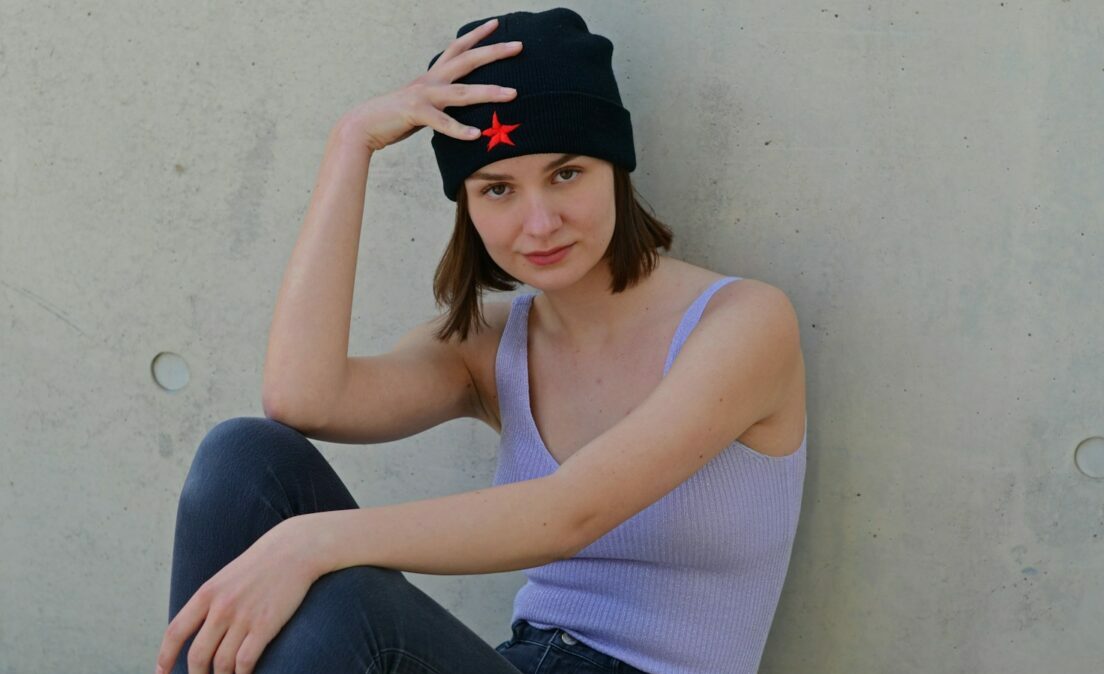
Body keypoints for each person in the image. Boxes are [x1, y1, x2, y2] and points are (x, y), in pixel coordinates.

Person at [155, 7, 807, 674]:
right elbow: (301, 399)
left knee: (352, 605)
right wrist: (351, 142)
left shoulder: (744, 324)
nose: (540, 221)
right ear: (467, 206)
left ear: (615, 165)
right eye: (498, 188)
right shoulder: (492, 346)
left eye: (567, 173)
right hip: (517, 663)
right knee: (244, 457)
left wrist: (313, 542)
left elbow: (569, 513)